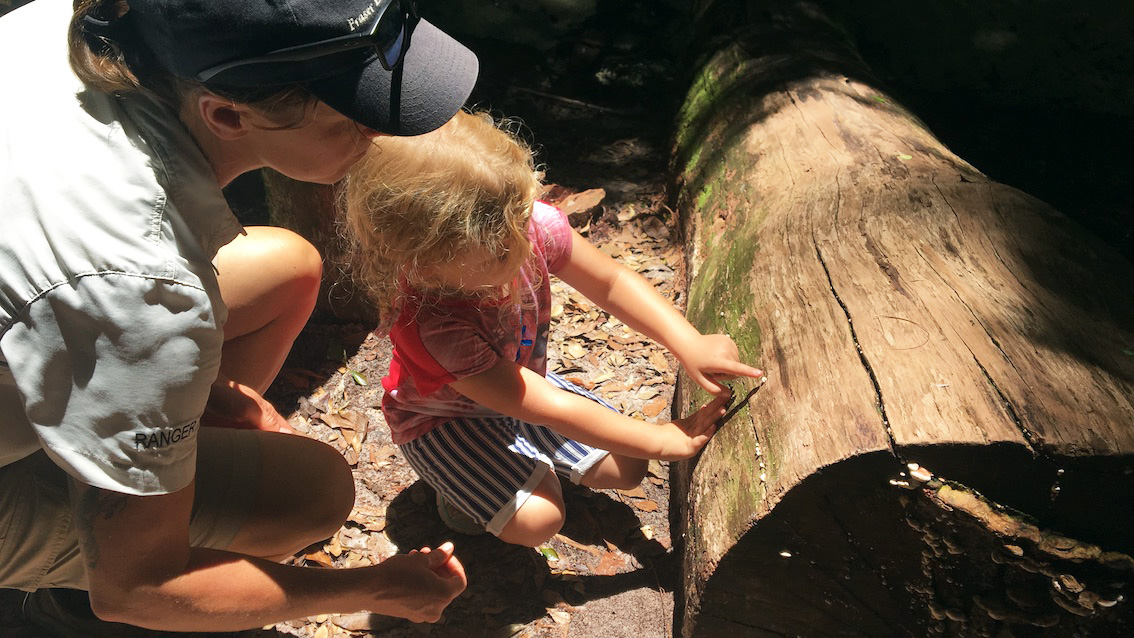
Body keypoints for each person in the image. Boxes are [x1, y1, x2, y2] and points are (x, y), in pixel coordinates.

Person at [0, 0, 477, 634]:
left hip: (50, 316)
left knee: (287, 269)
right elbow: (138, 585)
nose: (379, 138)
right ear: (227, 113)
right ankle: (59, 605)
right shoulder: (143, 291)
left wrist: (172, 392)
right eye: (357, 120)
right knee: (308, 493)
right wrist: (377, 587)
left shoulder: (74, 21)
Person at [342, 111, 764, 544]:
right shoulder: (433, 326)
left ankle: (517, 472)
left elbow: (611, 281)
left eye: (520, 224)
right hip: (443, 418)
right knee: (539, 521)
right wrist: (658, 440)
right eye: (494, 252)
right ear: (424, 263)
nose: (521, 246)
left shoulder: (520, 225)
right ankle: (460, 488)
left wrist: (687, 342)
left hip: (524, 387)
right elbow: (543, 405)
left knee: (628, 467)